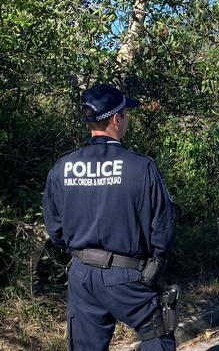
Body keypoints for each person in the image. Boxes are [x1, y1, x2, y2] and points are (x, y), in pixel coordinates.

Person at [42, 84, 177, 350]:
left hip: (81, 273)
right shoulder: (141, 167)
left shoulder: (62, 166)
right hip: (127, 274)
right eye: (126, 113)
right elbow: (163, 229)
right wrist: (154, 265)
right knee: (157, 332)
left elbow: (55, 229)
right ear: (116, 118)